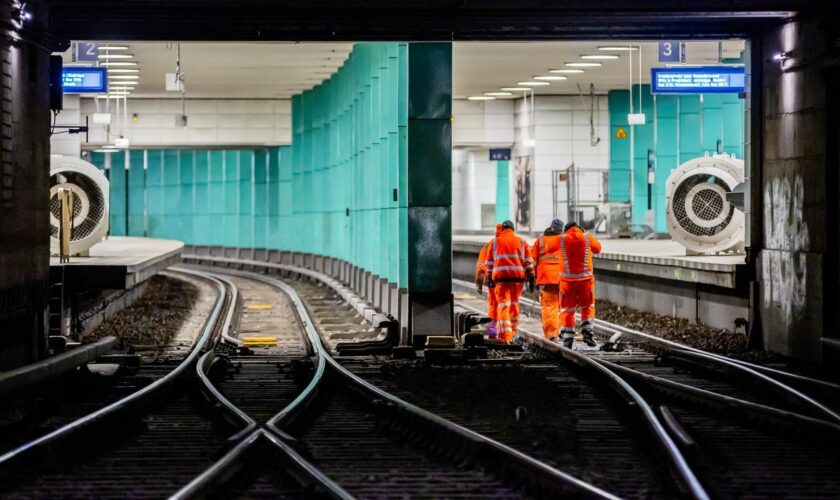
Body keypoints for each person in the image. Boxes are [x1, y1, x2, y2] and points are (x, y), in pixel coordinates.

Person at [487, 220, 535, 343]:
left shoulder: (495, 242)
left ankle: (506, 336)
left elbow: (489, 263)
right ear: (513, 229)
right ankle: (513, 331)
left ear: (502, 230)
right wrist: (531, 278)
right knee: (514, 304)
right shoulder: (522, 241)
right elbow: (529, 262)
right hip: (517, 280)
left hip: (501, 280)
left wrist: (489, 278)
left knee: (503, 306)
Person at [558, 221, 602, 348]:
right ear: (580, 229)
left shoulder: (561, 239)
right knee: (587, 306)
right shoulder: (587, 237)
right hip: (585, 282)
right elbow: (598, 248)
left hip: (567, 283)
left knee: (567, 309)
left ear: (566, 230)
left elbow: (549, 248)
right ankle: (587, 332)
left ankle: (567, 338)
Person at [531, 218, 565, 341]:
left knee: (550, 306)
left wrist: (531, 278)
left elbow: (532, 262)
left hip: (546, 278)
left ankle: (552, 333)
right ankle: (562, 331)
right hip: (563, 278)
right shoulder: (564, 241)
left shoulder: (540, 241)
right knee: (563, 306)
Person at [475, 224, 502, 338]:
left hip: (492, 281)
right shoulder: (513, 243)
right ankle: (505, 333)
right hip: (507, 281)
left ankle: (492, 332)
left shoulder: (488, 246)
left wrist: (479, 282)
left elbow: (481, 265)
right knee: (506, 306)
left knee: (493, 306)